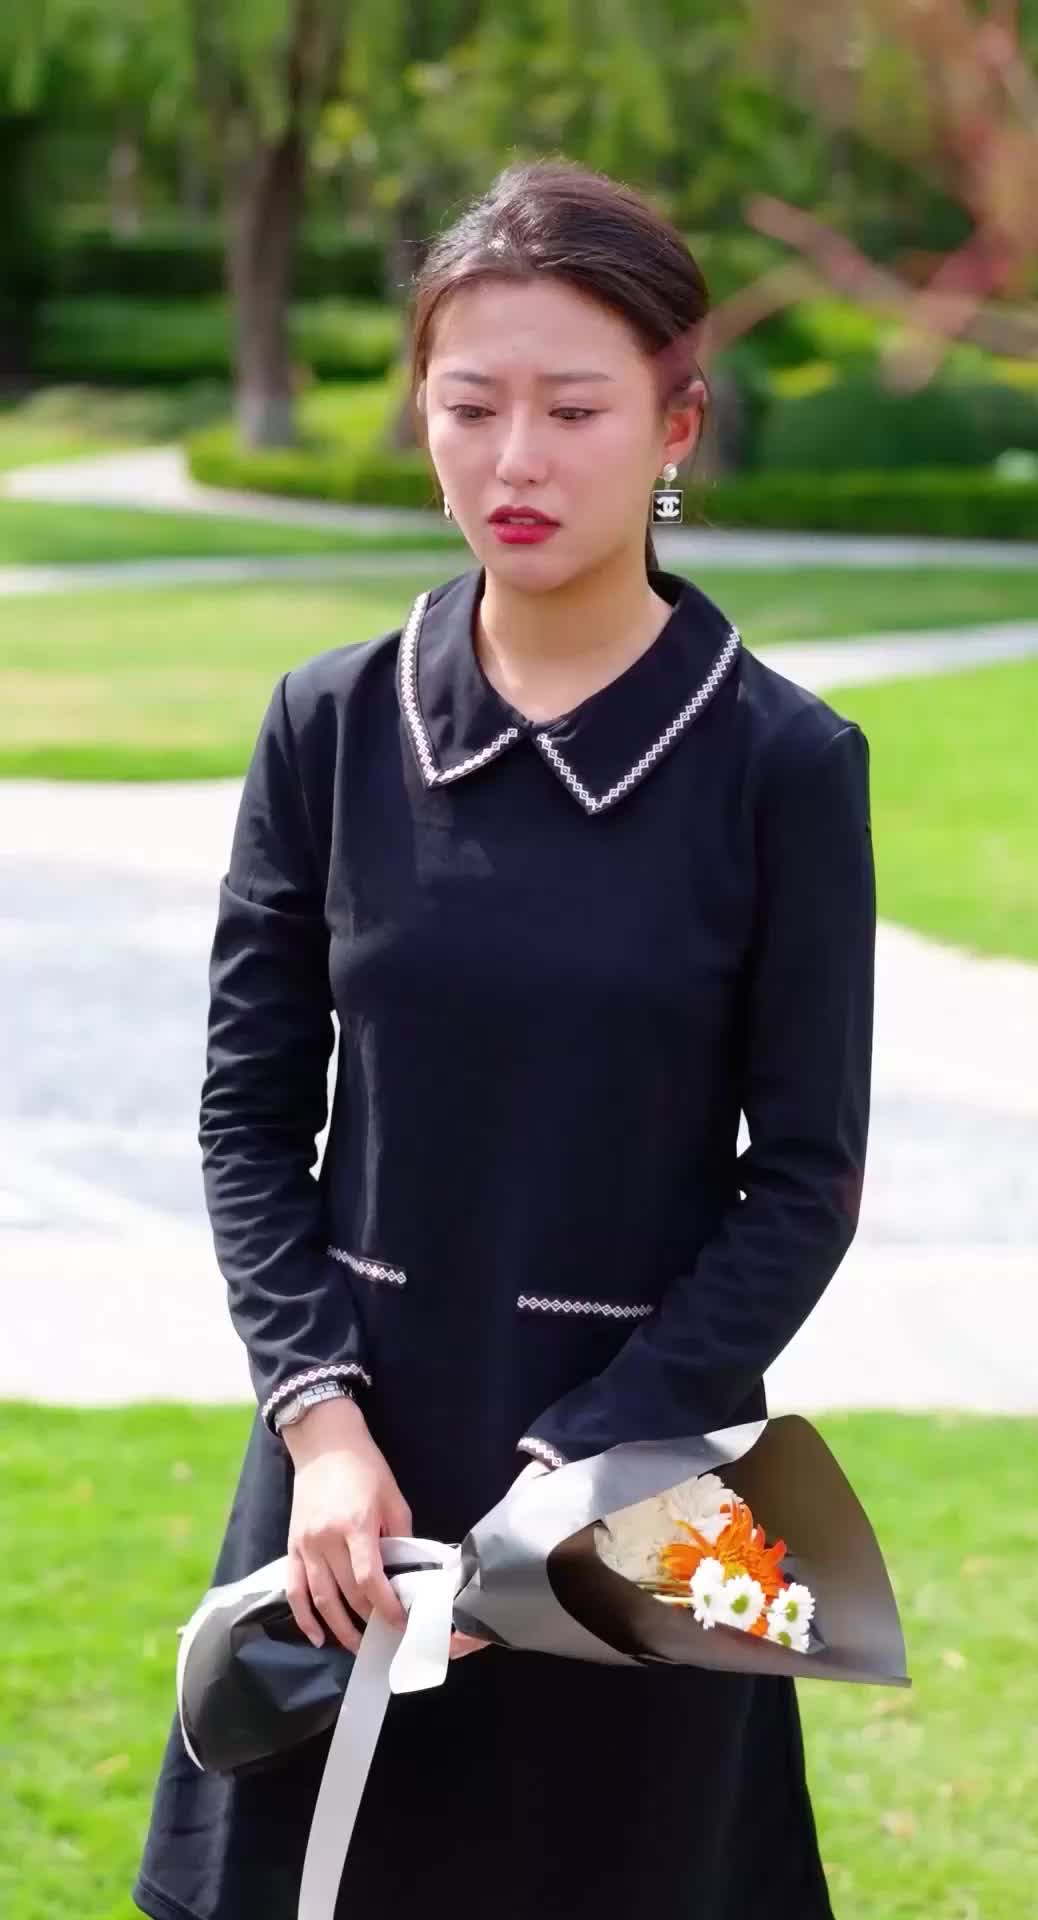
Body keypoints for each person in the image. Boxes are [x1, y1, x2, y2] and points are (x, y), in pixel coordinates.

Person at [133, 157, 875, 1920]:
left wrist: (586, 1462)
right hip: (348, 1487)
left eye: (574, 409)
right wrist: (319, 1426)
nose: (515, 460)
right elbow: (249, 1118)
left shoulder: (784, 763)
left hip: (643, 1492)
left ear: (677, 424)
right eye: (470, 406)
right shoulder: (327, 726)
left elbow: (805, 1183)